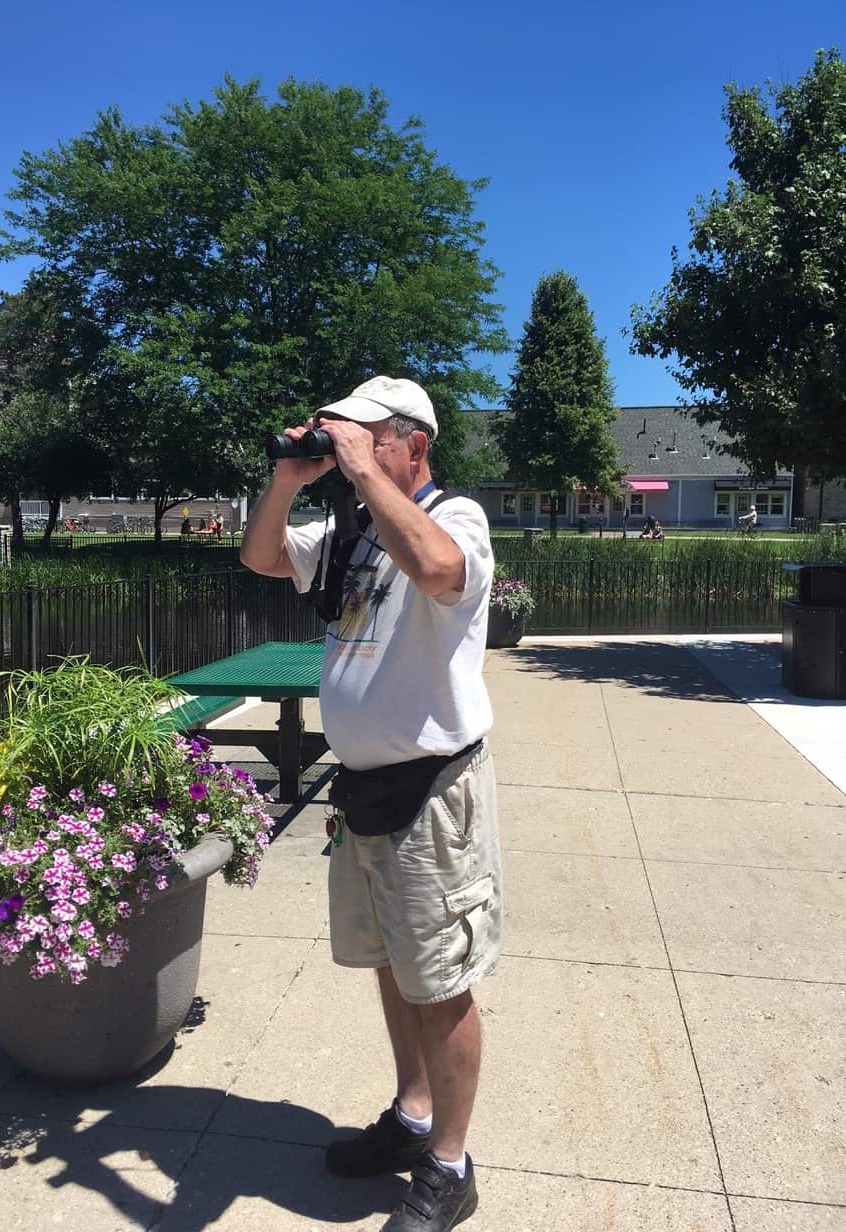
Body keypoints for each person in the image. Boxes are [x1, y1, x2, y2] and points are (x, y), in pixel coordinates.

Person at [241, 375, 501, 1232]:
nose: (347, 447)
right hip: (363, 791)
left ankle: (450, 1167)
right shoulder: (353, 530)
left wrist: (363, 477)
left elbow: (434, 570)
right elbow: (263, 557)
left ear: (412, 444)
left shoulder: (455, 517)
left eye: (365, 437)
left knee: (443, 984)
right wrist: (287, 479)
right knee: (394, 966)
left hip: (431, 791)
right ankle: (412, 1119)